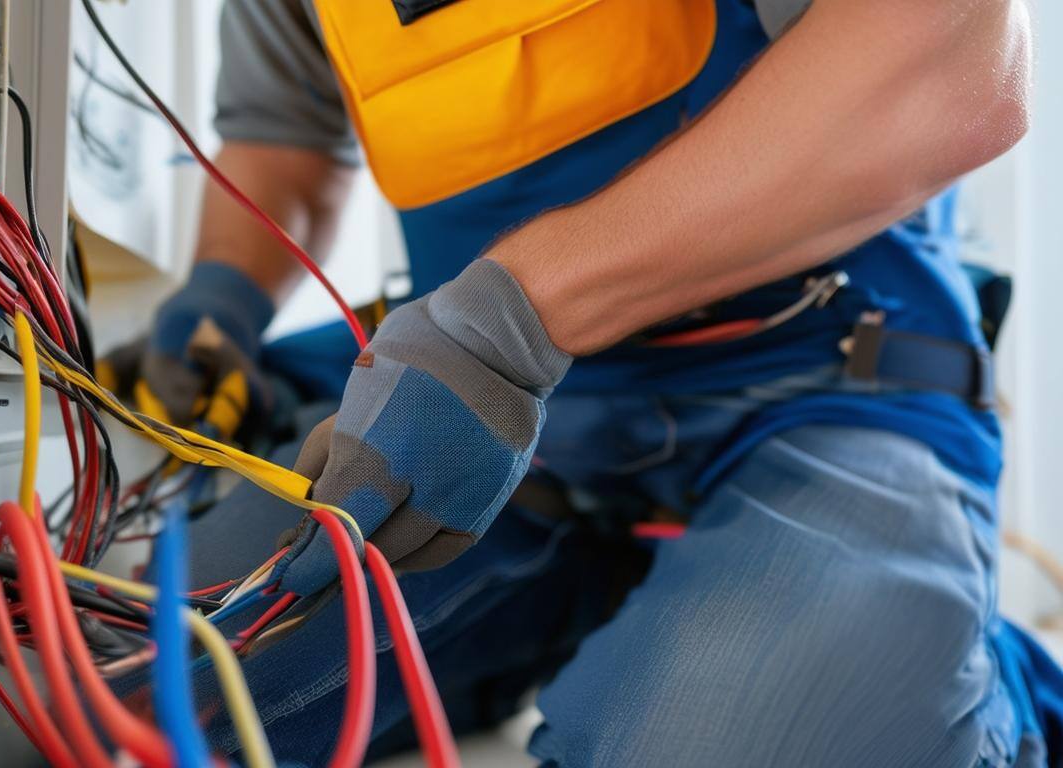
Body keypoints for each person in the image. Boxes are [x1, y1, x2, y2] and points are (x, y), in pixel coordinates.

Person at [115, 0, 1063, 765]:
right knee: (127, 687)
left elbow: (955, 62)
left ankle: (968, 682)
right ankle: (590, 609)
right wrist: (224, 294)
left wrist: (513, 317)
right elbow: (285, 134)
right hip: (495, 432)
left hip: (823, 386)